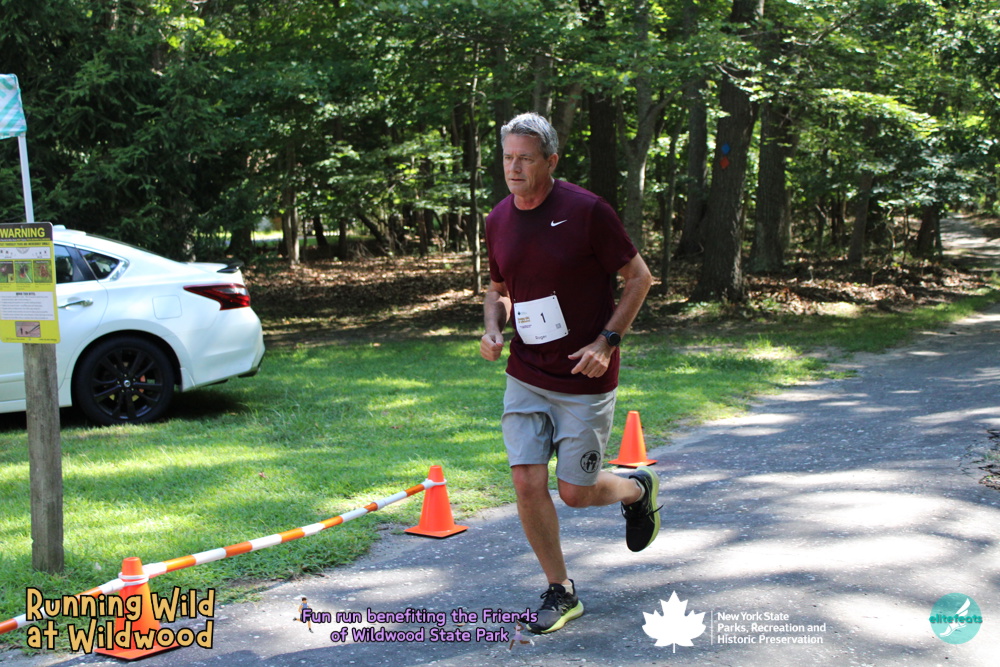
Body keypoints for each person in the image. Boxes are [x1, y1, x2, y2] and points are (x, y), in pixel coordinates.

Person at [479, 112, 660, 635]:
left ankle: (636, 490)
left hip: (584, 375)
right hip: (526, 372)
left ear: (551, 161)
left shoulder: (587, 212)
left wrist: (607, 341)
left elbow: (639, 278)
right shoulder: (498, 219)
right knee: (526, 480)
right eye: (507, 157)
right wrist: (492, 328)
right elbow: (499, 290)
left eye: (525, 159)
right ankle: (560, 589)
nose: (514, 168)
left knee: (576, 493)